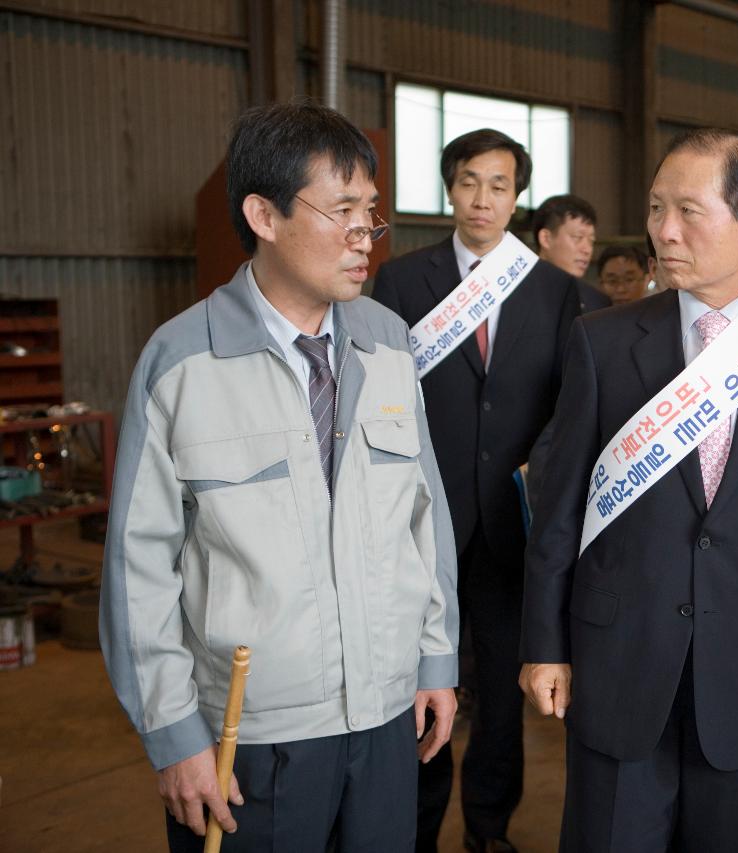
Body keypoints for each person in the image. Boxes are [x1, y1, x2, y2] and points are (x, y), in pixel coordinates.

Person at [99, 101, 459, 853]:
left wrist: (435, 659)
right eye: (342, 213)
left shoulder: (389, 343)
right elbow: (138, 567)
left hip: (389, 713)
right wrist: (172, 733)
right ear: (263, 214)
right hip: (253, 735)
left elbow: (425, 516)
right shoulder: (182, 362)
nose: (366, 238)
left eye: (372, 214)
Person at [519, 128, 738, 851]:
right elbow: (561, 509)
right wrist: (544, 644)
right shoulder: (604, 341)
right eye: (654, 209)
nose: (664, 232)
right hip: (618, 663)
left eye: (688, 211)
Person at [373, 129, 580, 853]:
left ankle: (488, 828)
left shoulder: (554, 289)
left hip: (511, 528)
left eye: (498, 184)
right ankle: (418, 828)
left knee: (499, 697)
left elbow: (568, 405)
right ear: (448, 189)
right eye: (468, 182)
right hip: (420, 523)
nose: (482, 198)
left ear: (517, 196)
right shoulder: (400, 282)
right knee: (418, 691)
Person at [531, 194, 611, 313]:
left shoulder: (597, 302)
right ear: (546, 238)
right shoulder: (512, 290)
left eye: (591, 241)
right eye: (577, 237)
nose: (587, 249)